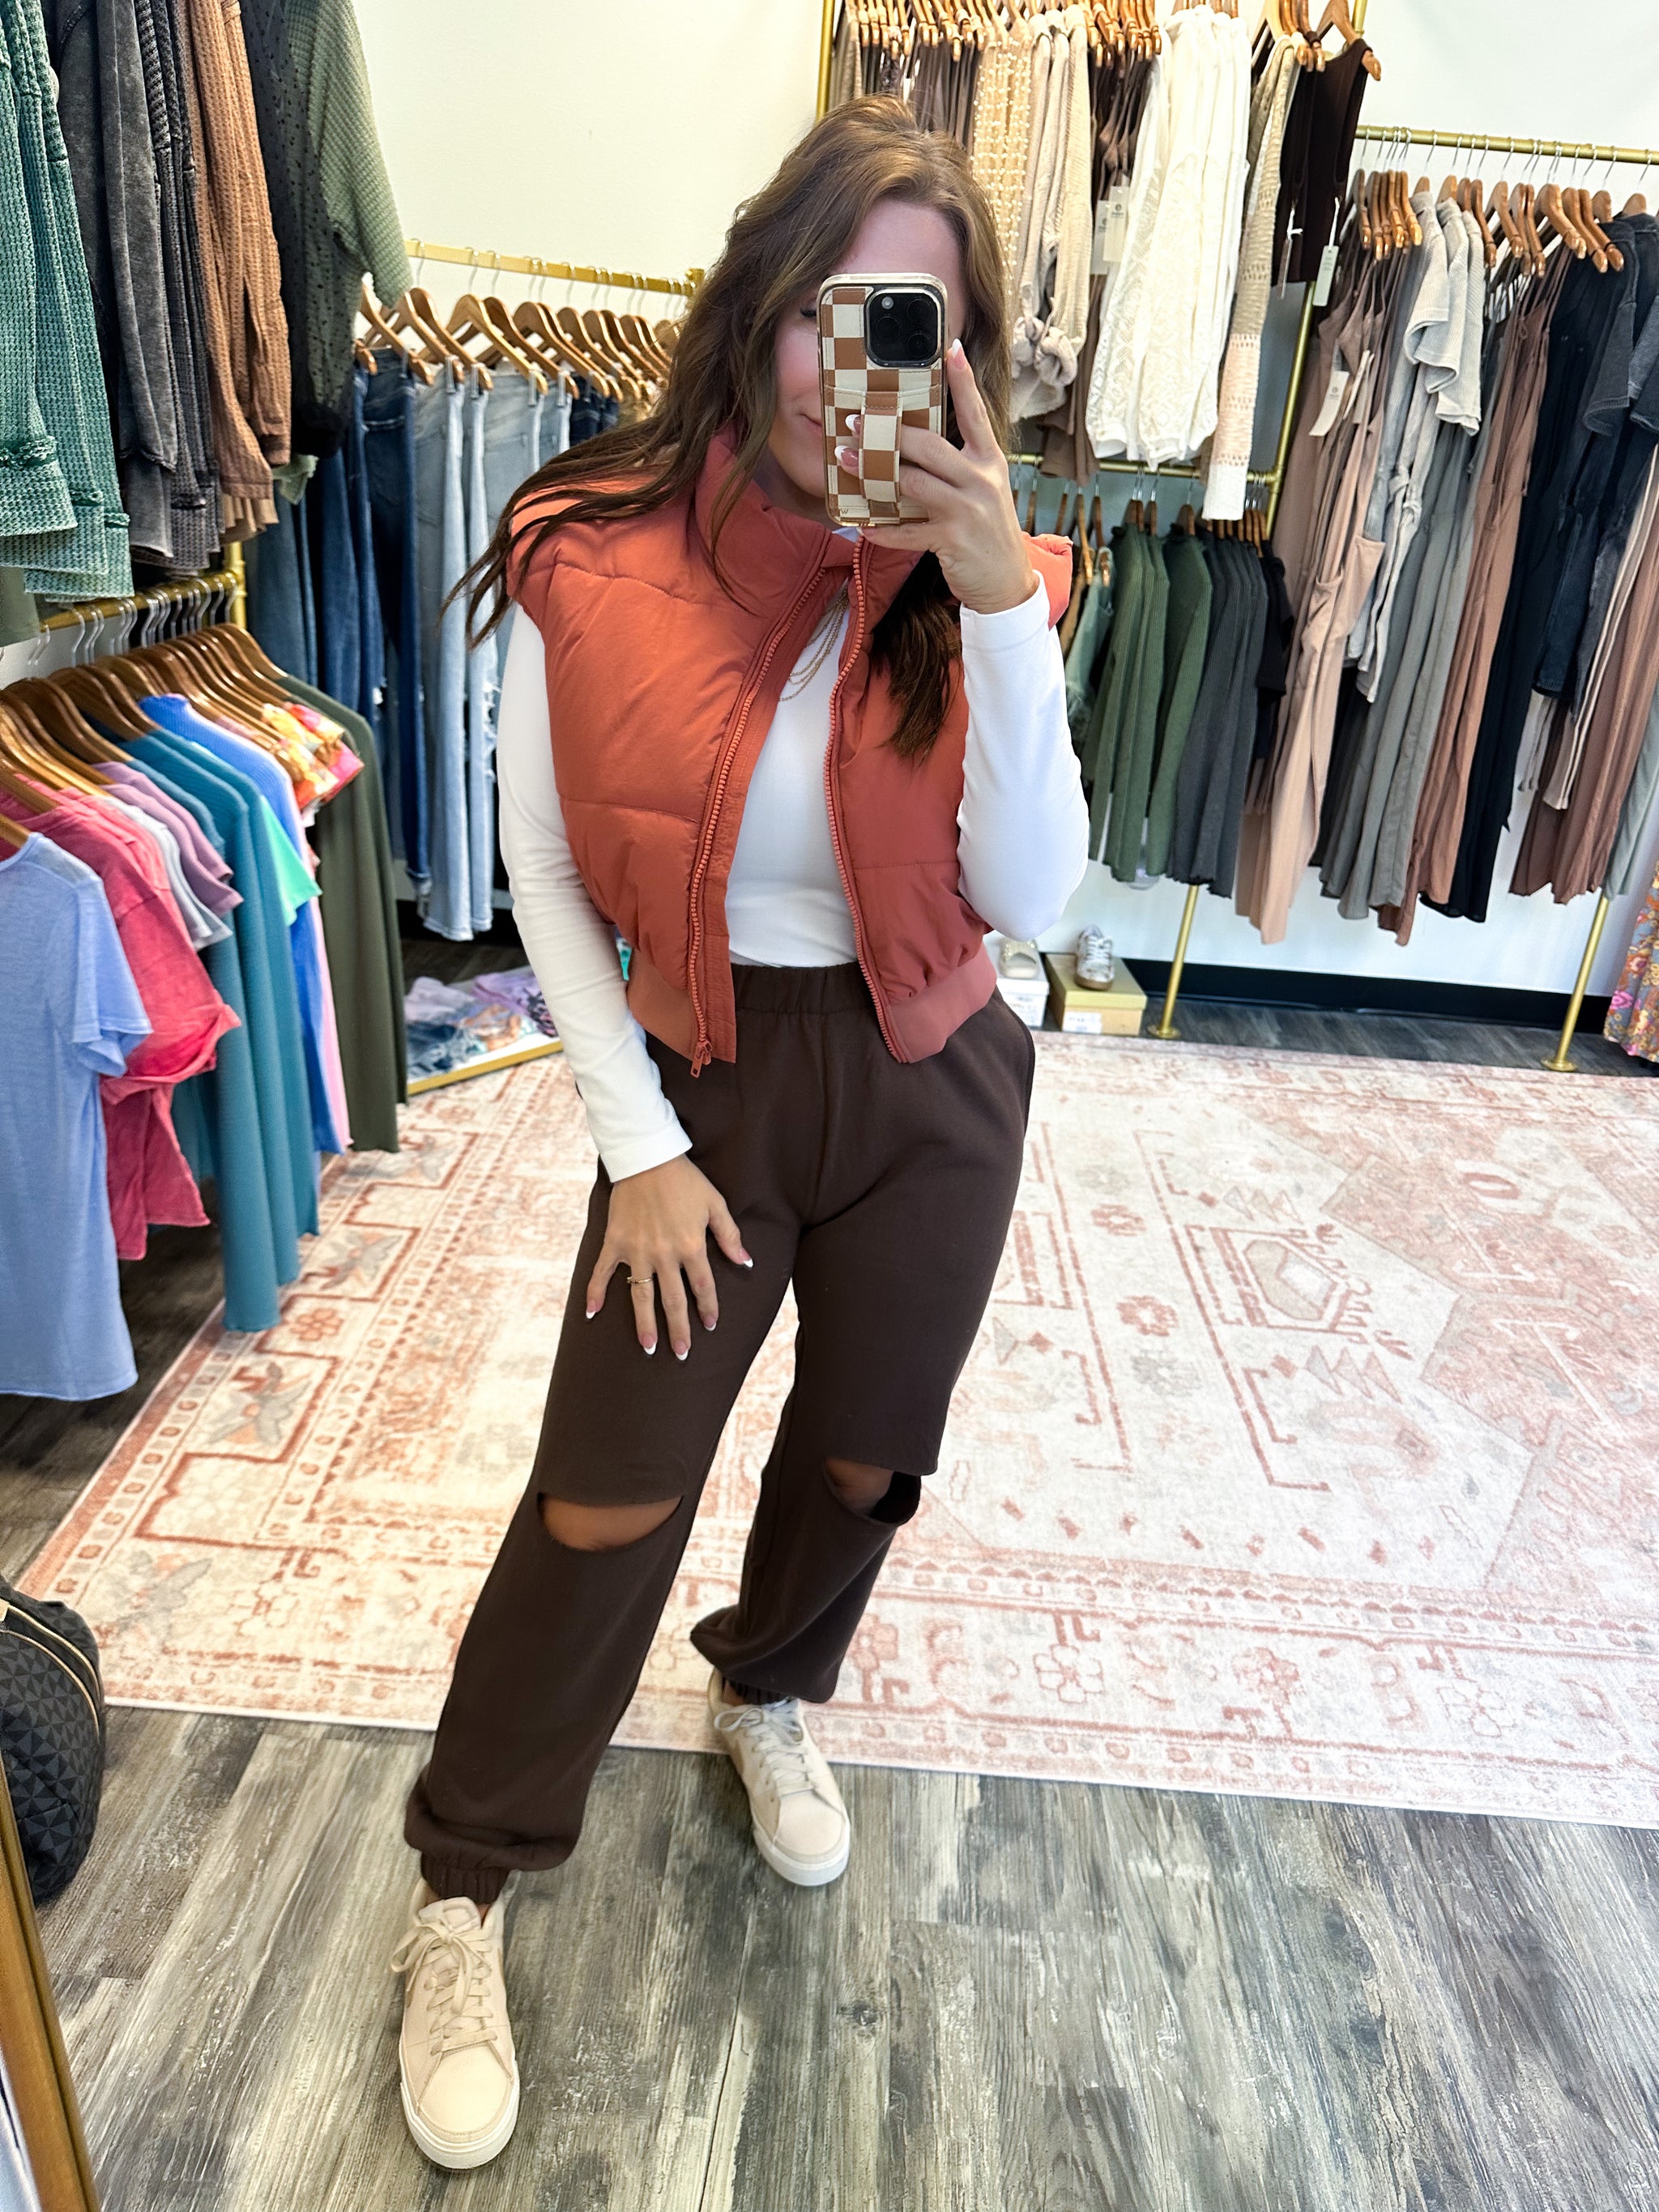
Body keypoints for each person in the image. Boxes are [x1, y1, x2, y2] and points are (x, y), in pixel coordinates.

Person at [390, 96, 1090, 2170]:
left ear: (956, 358)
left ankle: (768, 1687)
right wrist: (637, 1144)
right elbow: (539, 869)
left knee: (866, 1456)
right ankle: (464, 1879)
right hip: (701, 1078)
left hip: (936, 1075)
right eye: (825, 307)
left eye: (911, 320)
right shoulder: (594, 543)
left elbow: (1034, 895)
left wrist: (997, 602)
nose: (847, 363)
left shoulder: (980, 575)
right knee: (604, 1494)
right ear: (762, 297)